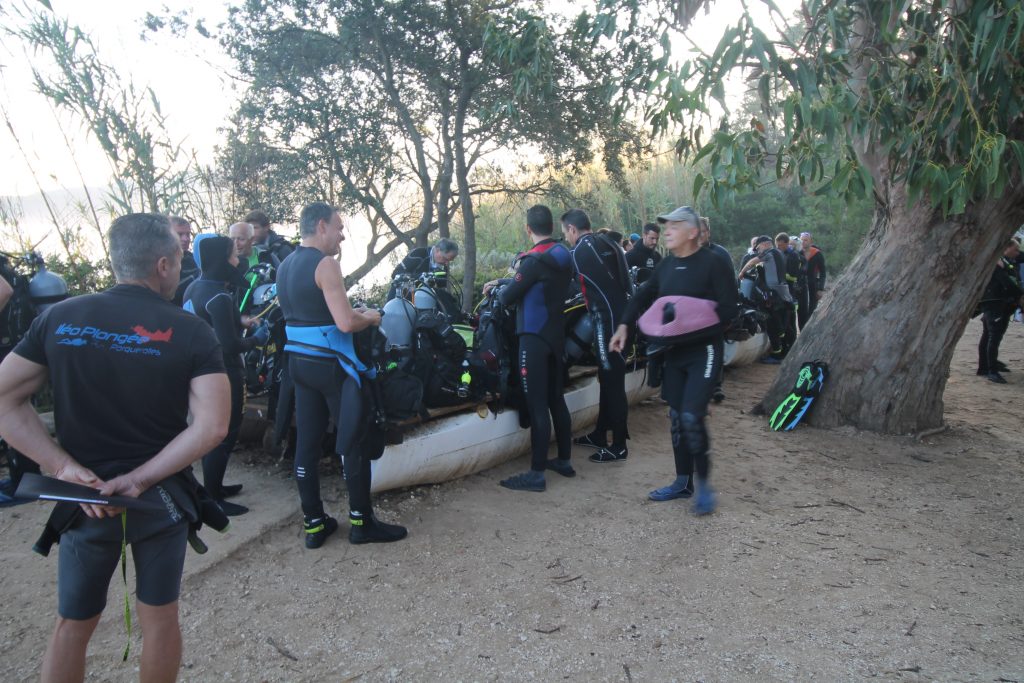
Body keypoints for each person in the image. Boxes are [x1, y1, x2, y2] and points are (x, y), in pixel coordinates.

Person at [0, 213, 230, 683]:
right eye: (180, 258)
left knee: (72, 625)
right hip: (159, 499)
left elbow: (4, 397)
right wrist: (141, 479)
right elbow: (213, 427)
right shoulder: (191, 331)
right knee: (159, 617)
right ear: (163, 265)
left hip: (84, 501)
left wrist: (64, 469)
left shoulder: (59, 318)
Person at [277, 201, 407, 547]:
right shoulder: (325, 264)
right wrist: (372, 317)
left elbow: (309, 315)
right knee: (353, 440)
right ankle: (362, 523)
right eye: (338, 227)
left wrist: (353, 313)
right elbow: (345, 322)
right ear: (321, 226)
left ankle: (315, 524)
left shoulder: (285, 265)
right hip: (332, 367)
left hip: (299, 365)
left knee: (306, 443)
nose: (343, 235)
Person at [610, 205, 736, 515]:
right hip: (673, 354)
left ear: (692, 232)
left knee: (692, 417)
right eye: (665, 226)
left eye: (674, 226)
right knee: (678, 419)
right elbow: (642, 295)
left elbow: (729, 311)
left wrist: (690, 324)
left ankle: (704, 486)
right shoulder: (666, 267)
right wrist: (625, 324)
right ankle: (683, 482)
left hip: (704, 352)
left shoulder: (713, 263)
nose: (666, 231)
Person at [481, 205, 573, 491]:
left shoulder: (532, 261)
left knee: (536, 405)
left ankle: (536, 474)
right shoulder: (562, 255)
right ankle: (564, 460)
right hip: (556, 337)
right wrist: (507, 279)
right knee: (556, 399)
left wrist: (501, 286)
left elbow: (510, 296)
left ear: (528, 228)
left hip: (532, 339)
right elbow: (536, 283)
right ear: (553, 227)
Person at [183, 234, 268, 516]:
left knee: (211, 428)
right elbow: (230, 344)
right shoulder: (219, 296)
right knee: (225, 432)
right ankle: (213, 496)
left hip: (198, 370)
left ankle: (214, 487)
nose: (237, 261)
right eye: (232, 256)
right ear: (221, 260)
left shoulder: (195, 288)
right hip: (224, 370)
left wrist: (242, 321)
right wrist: (257, 338)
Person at [562, 208, 632, 463]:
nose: (567, 238)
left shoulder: (581, 250)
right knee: (608, 376)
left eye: (566, 233)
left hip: (607, 321)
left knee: (613, 380)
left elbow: (561, 276)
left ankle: (620, 445)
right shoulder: (609, 241)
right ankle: (601, 433)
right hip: (622, 316)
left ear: (572, 229)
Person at [738, 235, 795, 362]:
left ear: (764, 244)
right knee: (783, 326)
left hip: (775, 295)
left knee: (772, 324)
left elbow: (752, 262)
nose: (758, 251)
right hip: (783, 294)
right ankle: (785, 351)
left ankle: (777, 354)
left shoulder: (769, 253)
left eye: (758, 248)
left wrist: (741, 272)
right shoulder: (778, 253)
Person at [699, 217, 735, 403]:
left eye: (703, 231)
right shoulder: (685, 254)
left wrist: (729, 313)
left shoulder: (720, 253)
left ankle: (716, 386)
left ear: (708, 232)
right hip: (693, 313)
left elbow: (731, 284)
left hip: (715, 311)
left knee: (715, 349)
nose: (700, 235)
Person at [977, 238, 1023, 383]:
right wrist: (1021, 294)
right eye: (1015, 249)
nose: (1017, 252)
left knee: (992, 334)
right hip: (993, 303)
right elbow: (1007, 282)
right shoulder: (997, 262)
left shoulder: (1006, 261)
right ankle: (990, 370)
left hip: (1000, 303)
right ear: (1006, 248)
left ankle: (988, 365)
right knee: (993, 335)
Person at [386, 238, 460, 301]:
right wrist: (421, 276)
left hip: (422, 302)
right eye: (445, 259)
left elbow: (440, 289)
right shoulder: (419, 254)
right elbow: (395, 274)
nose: (446, 263)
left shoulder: (443, 267)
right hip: (399, 299)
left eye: (449, 261)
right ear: (437, 250)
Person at [775, 232, 804, 343]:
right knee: (786, 321)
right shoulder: (780, 253)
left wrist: (782, 275)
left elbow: (794, 277)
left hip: (790, 293)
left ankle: (789, 348)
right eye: (776, 245)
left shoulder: (794, 255)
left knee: (788, 322)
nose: (778, 247)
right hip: (782, 291)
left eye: (780, 245)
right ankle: (787, 347)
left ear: (787, 243)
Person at [170, 216, 199, 306]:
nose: (186, 239)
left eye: (188, 234)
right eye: (180, 234)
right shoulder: (157, 263)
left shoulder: (195, 260)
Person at [800, 232, 827, 321]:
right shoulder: (797, 253)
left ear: (811, 241)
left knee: (812, 308)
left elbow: (823, 272)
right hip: (801, 284)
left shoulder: (817, 253)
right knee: (802, 310)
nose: (803, 242)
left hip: (813, 283)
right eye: (802, 240)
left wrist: (821, 289)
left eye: (805, 240)